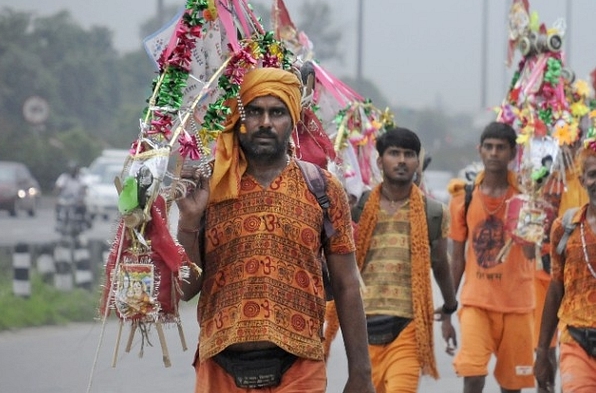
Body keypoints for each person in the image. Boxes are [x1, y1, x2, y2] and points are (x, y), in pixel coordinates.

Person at [176, 67, 375, 393]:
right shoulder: (209, 187)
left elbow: (347, 283)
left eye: (277, 112)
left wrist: (361, 372)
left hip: (299, 369)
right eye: (255, 111)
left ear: (293, 120)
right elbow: (185, 289)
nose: (265, 122)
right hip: (219, 370)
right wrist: (188, 223)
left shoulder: (323, 188)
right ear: (240, 118)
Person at [324, 127, 458, 393]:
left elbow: (441, 264)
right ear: (379, 161)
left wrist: (450, 306)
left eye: (409, 154)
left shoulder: (434, 213)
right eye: (393, 153)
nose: (401, 160)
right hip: (363, 331)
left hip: (407, 329)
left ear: (417, 163)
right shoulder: (357, 208)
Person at [449, 121, 536, 392]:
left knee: (512, 387)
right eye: (488, 147)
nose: (494, 153)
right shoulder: (464, 198)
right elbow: (457, 258)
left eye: (501, 148)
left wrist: (529, 222)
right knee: (473, 375)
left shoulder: (525, 198)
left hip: (517, 306)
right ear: (480, 150)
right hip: (476, 304)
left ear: (513, 153)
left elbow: (532, 253)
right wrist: (450, 305)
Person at [534, 146, 596, 392]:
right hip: (576, 339)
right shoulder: (566, 227)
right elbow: (556, 289)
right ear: (582, 181)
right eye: (593, 175)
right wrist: (541, 353)